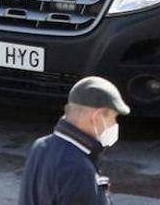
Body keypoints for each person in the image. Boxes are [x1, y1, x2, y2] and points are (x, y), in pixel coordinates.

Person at [18, 76, 130, 205]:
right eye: (113, 118)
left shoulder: (40, 146)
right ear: (97, 117)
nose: (114, 124)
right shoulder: (79, 168)